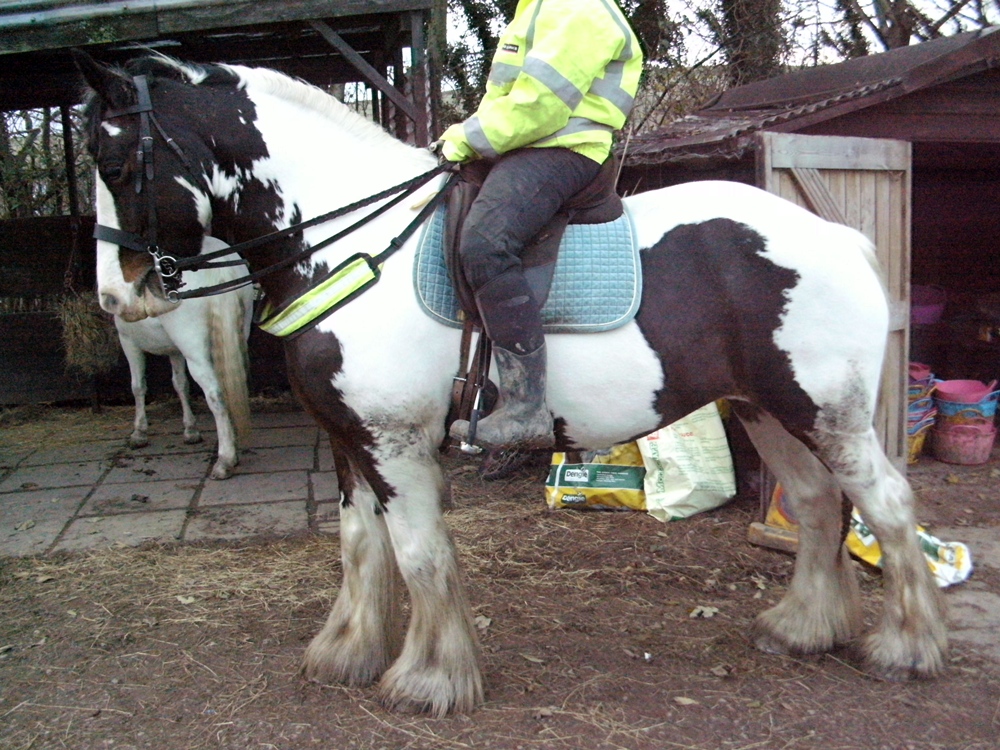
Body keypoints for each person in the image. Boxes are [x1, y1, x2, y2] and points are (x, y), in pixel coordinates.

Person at [438, 0, 643, 450]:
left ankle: (525, 408)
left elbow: (540, 105)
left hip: (564, 147)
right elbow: (507, 100)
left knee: (485, 243)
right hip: (525, 145)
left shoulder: (579, 8)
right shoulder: (536, 7)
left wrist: (463, 139)